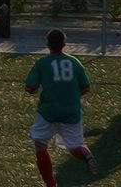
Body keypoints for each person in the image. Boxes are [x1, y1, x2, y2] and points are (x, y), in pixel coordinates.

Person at [25, 29, 98, 185]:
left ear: (47, 44)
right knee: (74, 147)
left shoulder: (43, 62)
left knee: (40, 145)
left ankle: (51, 184)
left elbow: (30, 88)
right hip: (72, 111)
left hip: (48, 111)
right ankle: (83, 152)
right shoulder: (74, 62)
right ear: (64, 45)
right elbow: (86, 87)